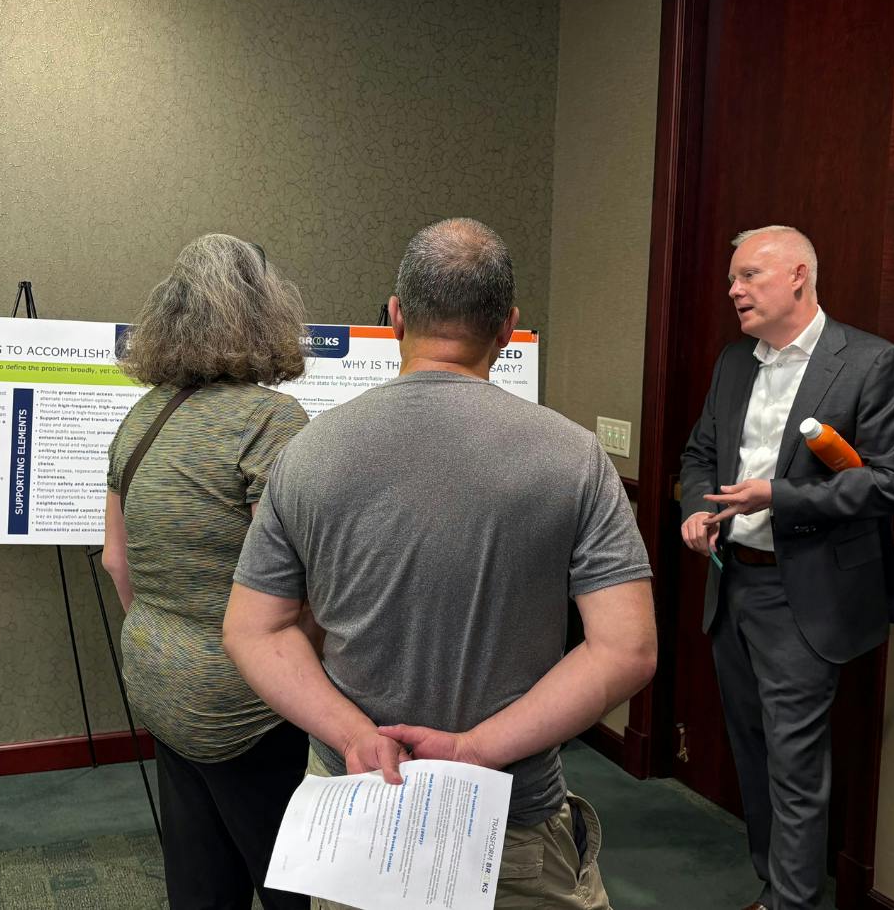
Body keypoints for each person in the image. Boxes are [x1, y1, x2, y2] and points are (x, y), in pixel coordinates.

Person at [223, 217, 658, 909]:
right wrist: (474, 749)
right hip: (510, 819)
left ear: (396, 317)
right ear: (508, 327)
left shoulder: (307, 452)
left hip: (357, 807)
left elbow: (255, 629)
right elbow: (626, 649)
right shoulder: (574, 457)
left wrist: (354, 736)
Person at [678, 226, 894, 910]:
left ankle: (795, 904)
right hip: (733, 582)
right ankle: (774, 889)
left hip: (804, 596)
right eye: (732, 279)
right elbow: (700, 455)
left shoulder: (872, 364)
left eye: (748, 275)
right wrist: (696, 510)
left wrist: (777, 496)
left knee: (794, 767)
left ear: (798, 276)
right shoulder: (735, 362)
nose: (733, 290)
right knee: (752, 753)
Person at [101, 232, 312, 910]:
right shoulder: (271, 420)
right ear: (266, 314)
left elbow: (115, 560)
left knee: (200, 880)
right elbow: (299, 584)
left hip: (155, 673)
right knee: (295, 883)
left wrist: (175, 637)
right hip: (248, 700)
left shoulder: (140, 417)